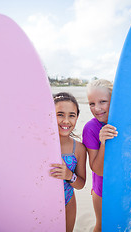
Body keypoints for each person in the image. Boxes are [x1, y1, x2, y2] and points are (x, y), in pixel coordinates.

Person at [82, 79, 118, 232]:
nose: (97, 109)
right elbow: (98, 170)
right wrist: (103, 142)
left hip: (126, 186)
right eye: (91, 103)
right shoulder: (90, 128)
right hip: (102, 190)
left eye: (103, 101)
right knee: (102, 226)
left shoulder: (124, 122)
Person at [50, 92, 86, 232]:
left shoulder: (79, 149)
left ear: (77, 117)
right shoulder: (39, 146)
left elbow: (81, 184)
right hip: (40, 201)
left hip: (68, 202)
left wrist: (69, 175)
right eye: (60, 114)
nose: (66, 121)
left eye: (71, 115)